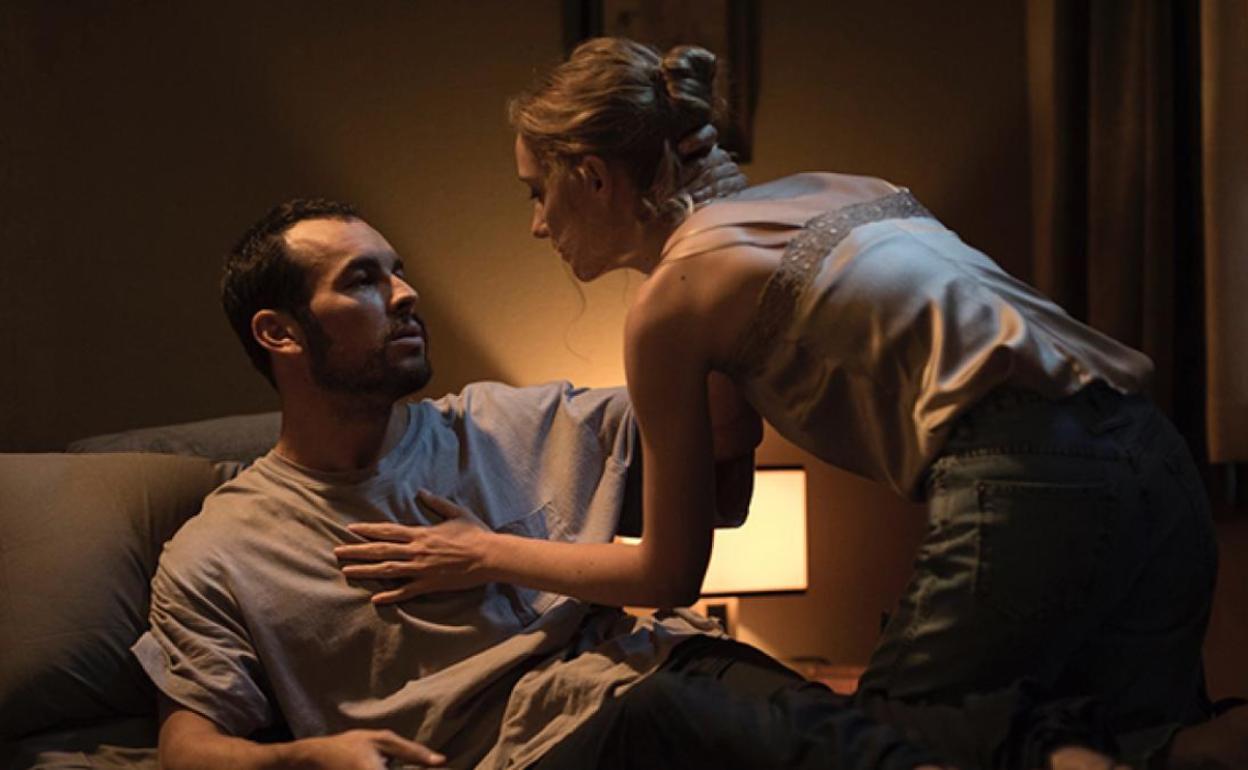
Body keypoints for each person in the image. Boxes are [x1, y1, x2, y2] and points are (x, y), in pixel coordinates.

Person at [346, 37, 1232, 767]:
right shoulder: (839, 191)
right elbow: (730, 478)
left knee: (888, 745)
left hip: (1029, 477)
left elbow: (668, 575)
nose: (538, 224)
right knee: (1141, 740)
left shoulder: (673, 303)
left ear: (593, 177)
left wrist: (485, 552)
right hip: (1153, 453)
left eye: (536, 192)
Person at [135, 198, 1127, 770]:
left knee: (875, 713)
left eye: (396, 270)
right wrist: (298, 758)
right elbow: (185, 739)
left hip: (673, 668)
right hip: (545, 746)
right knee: (686, 719)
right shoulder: (223, 548)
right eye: (360, 279)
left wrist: (693, 242)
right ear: (279, 333)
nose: (405, 293)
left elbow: (715, 414)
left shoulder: (506, 422)